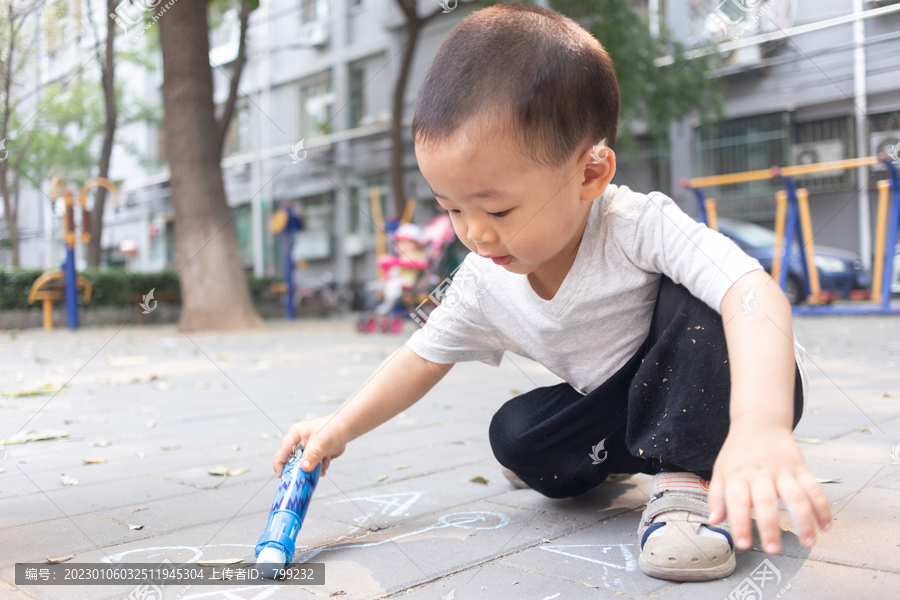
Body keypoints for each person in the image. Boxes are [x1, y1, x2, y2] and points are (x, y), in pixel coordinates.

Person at [273, 2, 832, 583]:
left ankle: (690, 480)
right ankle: (631, 456)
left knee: (698, 293)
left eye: (497, 208)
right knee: (515, 437)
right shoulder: (482, 276)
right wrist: (337, 427)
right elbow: (418, 358)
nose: (474, 232)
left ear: (590, 174)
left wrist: (759, 424)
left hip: (719, 385)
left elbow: (751, 291)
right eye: (452, 208)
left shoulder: (638, 226)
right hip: (620, 408)